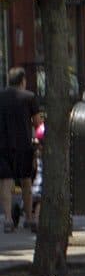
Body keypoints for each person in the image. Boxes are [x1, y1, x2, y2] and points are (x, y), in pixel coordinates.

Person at [1, 68, 37, 233]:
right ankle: (29, 218)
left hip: (3, 145)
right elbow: (38, 122)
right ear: (23, 80)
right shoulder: (29, 97)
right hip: (24, 144)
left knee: (6, 182)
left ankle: (8, 219)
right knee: (26, 181)